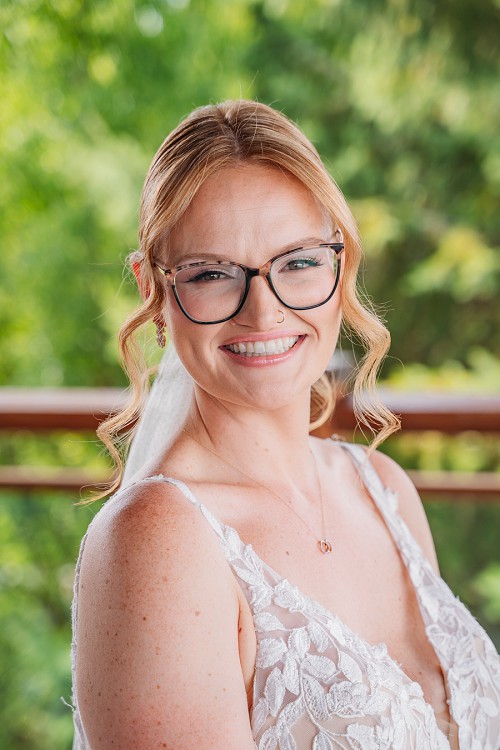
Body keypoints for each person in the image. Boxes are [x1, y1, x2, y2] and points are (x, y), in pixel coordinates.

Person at [71, 100, 500, 750]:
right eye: (212, 274)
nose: (264, 312)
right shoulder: (157, 542)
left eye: (297, 262)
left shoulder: (381, 487)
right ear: (151, 291)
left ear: (339, 261)